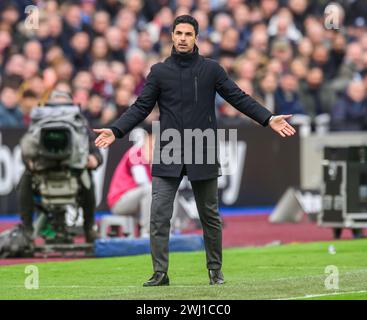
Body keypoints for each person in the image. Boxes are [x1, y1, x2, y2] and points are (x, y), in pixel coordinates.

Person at [94, 15, 296, 287]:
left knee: (209, 216)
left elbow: (238, 97)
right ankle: (160, 273)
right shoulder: (159, 71)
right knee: (159, 215)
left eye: (188, 34)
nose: (182, 38)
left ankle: (215, 271)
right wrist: (116, 130)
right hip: (169, 150)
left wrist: (268, 118)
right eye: (178, 33)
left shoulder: (212, 69)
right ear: (172, 35)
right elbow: (140, 107)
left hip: (202, 148)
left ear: (196, 37)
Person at [18, 90, 103, 243]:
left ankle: (89, 228)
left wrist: (93, 159)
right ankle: (27, 230)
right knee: (25, 179)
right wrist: (29, 161)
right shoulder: (38, 122)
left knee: (88, 180)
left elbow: (96, 153)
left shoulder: (80, 123)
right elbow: (27, 148)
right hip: (44, 169)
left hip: (72, 170)